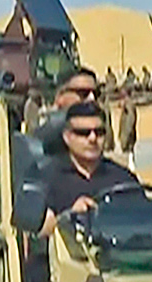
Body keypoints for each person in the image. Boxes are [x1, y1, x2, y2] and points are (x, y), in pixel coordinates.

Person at [40, 101, 139, 238]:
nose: (93, 138)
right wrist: (69, 218)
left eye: (99, 132)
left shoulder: (124, 180)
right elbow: (38, 233)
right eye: (83, 133)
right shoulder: (48, 179)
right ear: (67, 137)